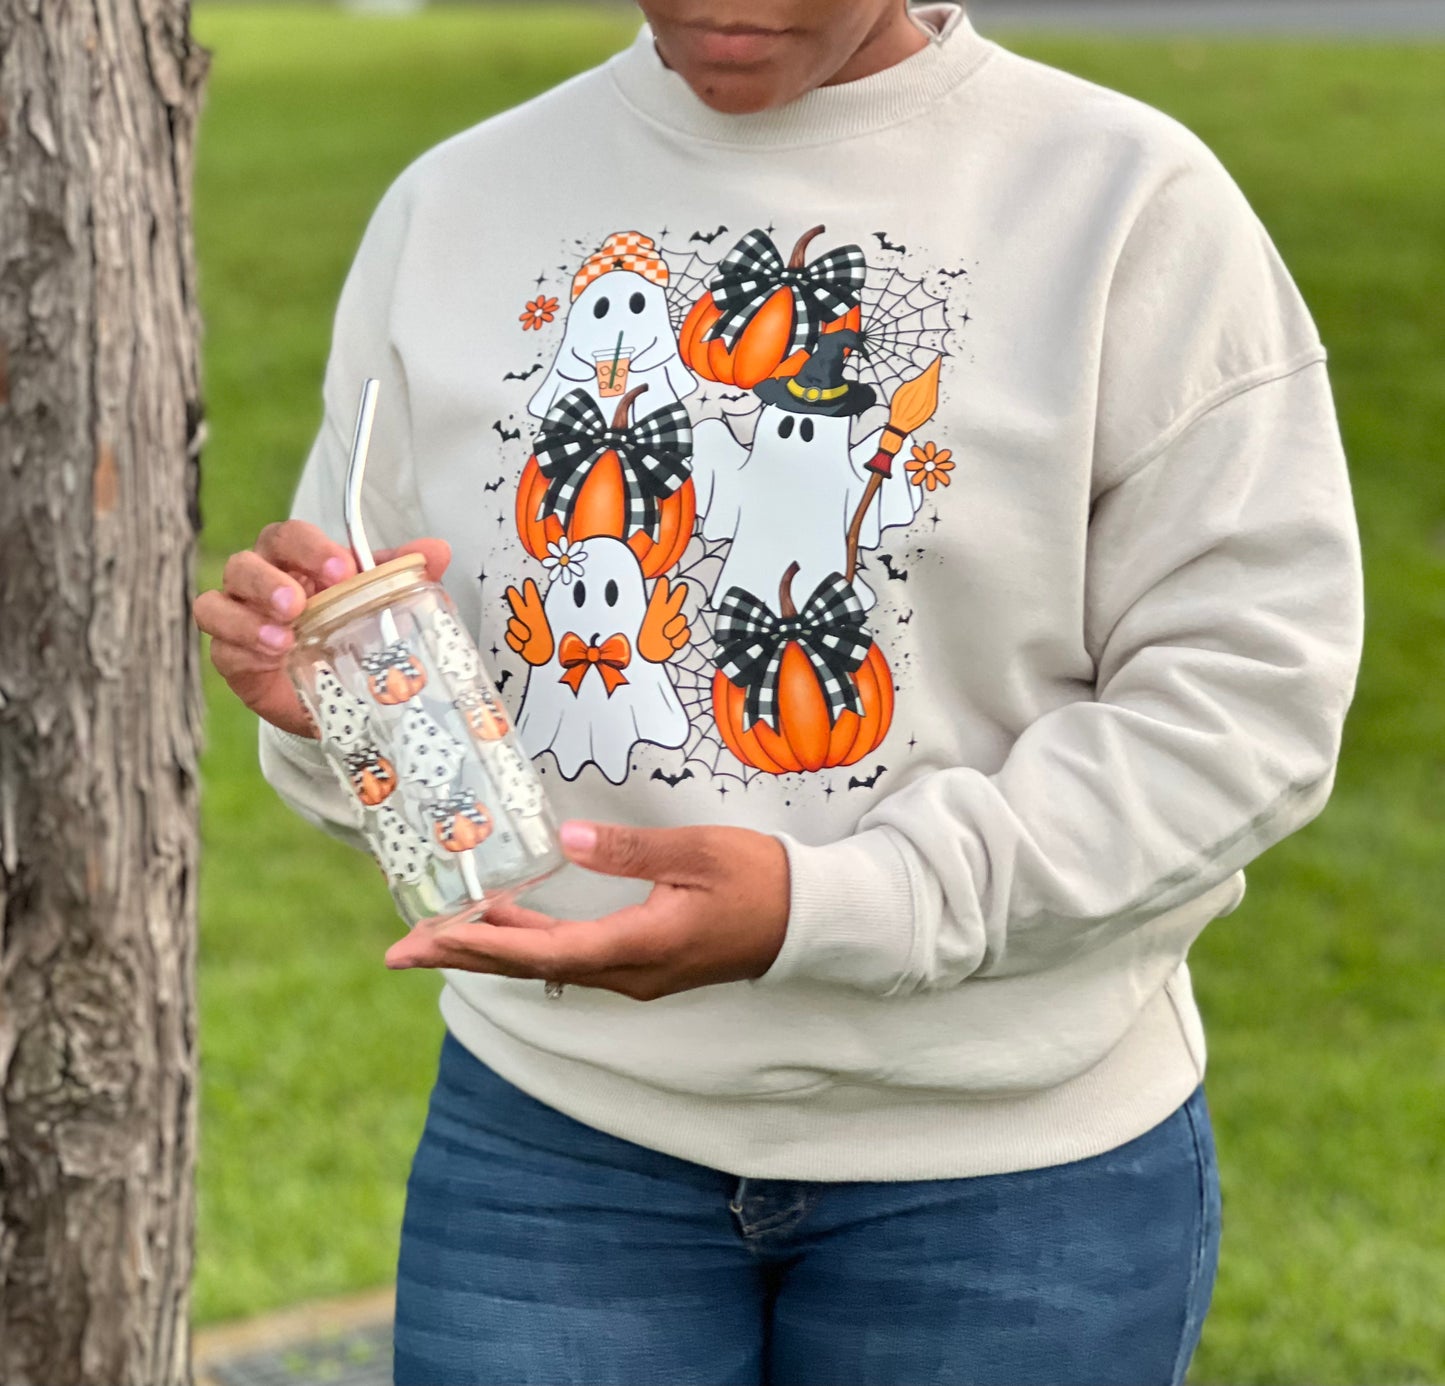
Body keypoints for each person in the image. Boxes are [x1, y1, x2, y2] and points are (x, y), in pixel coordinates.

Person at [193, 2, 1364, 1382]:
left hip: (1009, 1170)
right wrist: (343, 701)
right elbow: (411, 694)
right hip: (555, 1151)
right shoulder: (456, 205)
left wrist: (830, 910)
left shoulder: (1125, 205)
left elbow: (1244, 711)